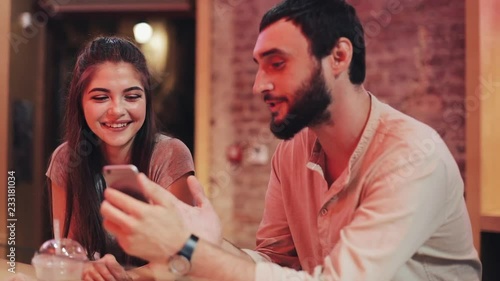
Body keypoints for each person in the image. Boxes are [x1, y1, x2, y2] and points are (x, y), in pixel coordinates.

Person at [100, 0, 482, 280]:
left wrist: (185, 249)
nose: (258, 85)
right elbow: (276, 263)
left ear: (338, 56)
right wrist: (206, 241)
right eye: (258, 66)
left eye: (277, 63)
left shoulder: (411, 155)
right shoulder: (292, 153)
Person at [46, 36, 195, 280]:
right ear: (80, 103)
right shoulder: (65, 159)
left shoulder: (170, 154)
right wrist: (85, 268)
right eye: (100, 97)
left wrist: (126, 277)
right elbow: (69, 250)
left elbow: (186, 256)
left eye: (132, 96)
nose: (117, 110)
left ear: (147, 99)